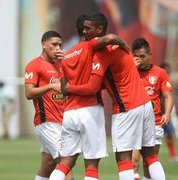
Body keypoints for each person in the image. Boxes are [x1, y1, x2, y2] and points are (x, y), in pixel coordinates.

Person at [65, 13, 166, 180]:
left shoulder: (102, 53)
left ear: (99, 30)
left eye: (88, 28)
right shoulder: (120, 48)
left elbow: (92, 87)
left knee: (123, 159)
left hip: (127, 108)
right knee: (150, 156)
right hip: (145, 105)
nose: (84, 31)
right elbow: (111, 81)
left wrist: (68, 89)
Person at [49, 14, 129, 180]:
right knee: (91, 166)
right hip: (90, 110)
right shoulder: (89, 46)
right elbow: (108, 39)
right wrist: (120, 42)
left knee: (65, 163)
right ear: (86, 32)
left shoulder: (66, 57)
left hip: (70, 113)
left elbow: (64, 89)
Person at [24, 31, 72, 180]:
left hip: (61, 122)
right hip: (47, 123)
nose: (57, 48)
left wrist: (66, 63)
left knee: (48, 165)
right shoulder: (34, 65)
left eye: (60, 45)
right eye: (54, 44)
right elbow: (29, 93)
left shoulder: (60, 65)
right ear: (44, 45)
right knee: (66, 162)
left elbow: (67, 88)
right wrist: (50, 87)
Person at [131, 38, 173, 180]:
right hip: (134, 122)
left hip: (154, 123)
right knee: (133, 162)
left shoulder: (160, 73)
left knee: (149, 162)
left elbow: (168, 96)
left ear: (150, 55)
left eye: (142, 56)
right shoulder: (129, 73)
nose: (140, 60)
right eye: (136, 56)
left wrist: (167, 113)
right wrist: (132, 69)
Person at [160, 63, 178, 164]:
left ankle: (173, 155)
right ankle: (142, 156)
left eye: (168, 72)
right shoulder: (156, 81)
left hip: (165, 114)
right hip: (156, 114)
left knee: (170, 134)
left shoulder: (167, 83)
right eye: (166, 72)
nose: (167, 74)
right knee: (148, 138)